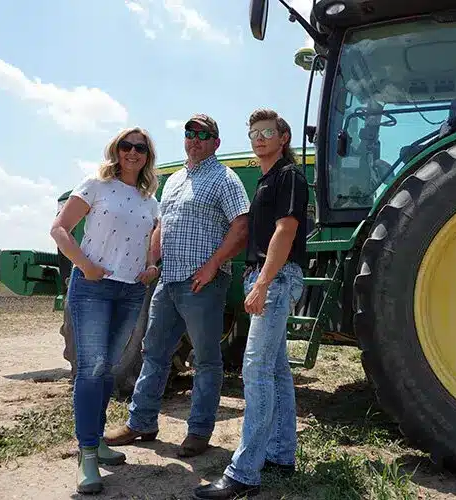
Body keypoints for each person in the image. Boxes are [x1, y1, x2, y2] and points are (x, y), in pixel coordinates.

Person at [104, 114, 250, 459]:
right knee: (153, 353)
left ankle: (199, 431)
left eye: (203, 135)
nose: (195, 140)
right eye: (189, 134)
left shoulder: (225, 178)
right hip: (168, 281)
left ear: (216, 142)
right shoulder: (173, 181)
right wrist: (153, 262)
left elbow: (241, 226)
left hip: (203, 284)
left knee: (206, 360)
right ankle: (141, 422)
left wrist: (212, 267)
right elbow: (161, 225)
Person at [194, 109, 308, 499]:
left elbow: (286, 229)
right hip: (267, 278)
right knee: (275, 370)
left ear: (283, 137)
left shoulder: (288, 175)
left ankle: (244, 473)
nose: (259, 138)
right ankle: (280, 454)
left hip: (275, 278)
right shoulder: (264, 180)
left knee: (254, 368)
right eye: (254, 133)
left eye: (267, 132)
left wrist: (262, 282)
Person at [50, 127, 161, 494]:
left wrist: (150, 266)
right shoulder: (95, 184)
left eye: (140, 148)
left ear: (147, 155)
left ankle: (97, 441)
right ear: (116, 150)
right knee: (92, 367)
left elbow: (148, 240)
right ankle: (86, 455)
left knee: (109, 369)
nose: (132, 152)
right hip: (94, 288)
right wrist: (85, 266)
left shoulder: (149, 198)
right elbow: (60, 229)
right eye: (126, 146)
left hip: (131, 292)